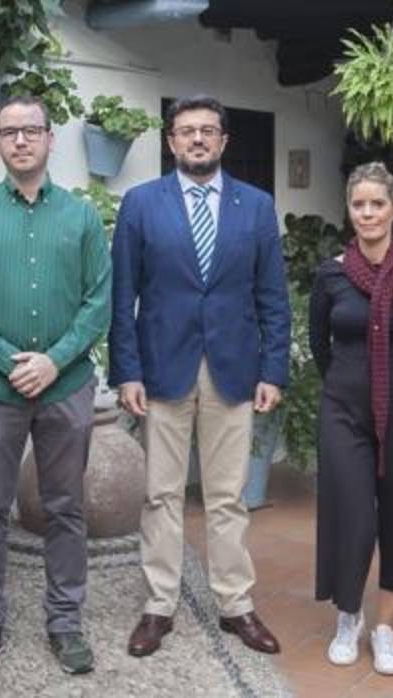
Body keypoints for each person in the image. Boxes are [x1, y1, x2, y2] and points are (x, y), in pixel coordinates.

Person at [109, 94, 291, 658]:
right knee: (160, 493)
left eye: (207, 131)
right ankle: (159, 605)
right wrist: (127, 371)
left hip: (233, 371)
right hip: (162, 370)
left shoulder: (256, 207)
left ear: (223, 141)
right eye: (186, 131)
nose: (196, 139)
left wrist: (273, 369)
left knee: (227, 496)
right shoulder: (141, 204)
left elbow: (272, 298)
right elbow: (123, 297)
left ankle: (236, 604)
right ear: (170, 141)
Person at [0, 94, 111, 680]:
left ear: (49, 139)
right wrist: (13, 362)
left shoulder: (82, 216)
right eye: (9, 131)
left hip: (67, 387)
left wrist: (54, 361)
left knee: (66, 509)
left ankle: (65, 622)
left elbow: (98, 304)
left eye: (30, 130)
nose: (20, 140)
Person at [309, 162, 393, 676]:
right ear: (350, 210)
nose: (367, 213)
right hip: (343, 410)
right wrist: (351, 380)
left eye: (377, 204)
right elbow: (318, 344)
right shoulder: (332, 274)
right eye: (358, 204)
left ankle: (386, 628)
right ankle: (350, 616)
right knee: (353, 515)